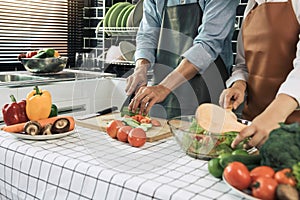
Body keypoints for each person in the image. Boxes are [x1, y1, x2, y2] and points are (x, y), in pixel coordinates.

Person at [125, 0, 239, 119]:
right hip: (164, 93)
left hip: (207, 91)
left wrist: (163, 88)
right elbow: (147, 35)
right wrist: (141, 68)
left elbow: (208, 45)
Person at [219, 0, 300, 148]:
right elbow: (243, 64)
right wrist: (239, 84)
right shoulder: (251, 6)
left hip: (293, 126)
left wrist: (274, 115)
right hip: (253, 124)